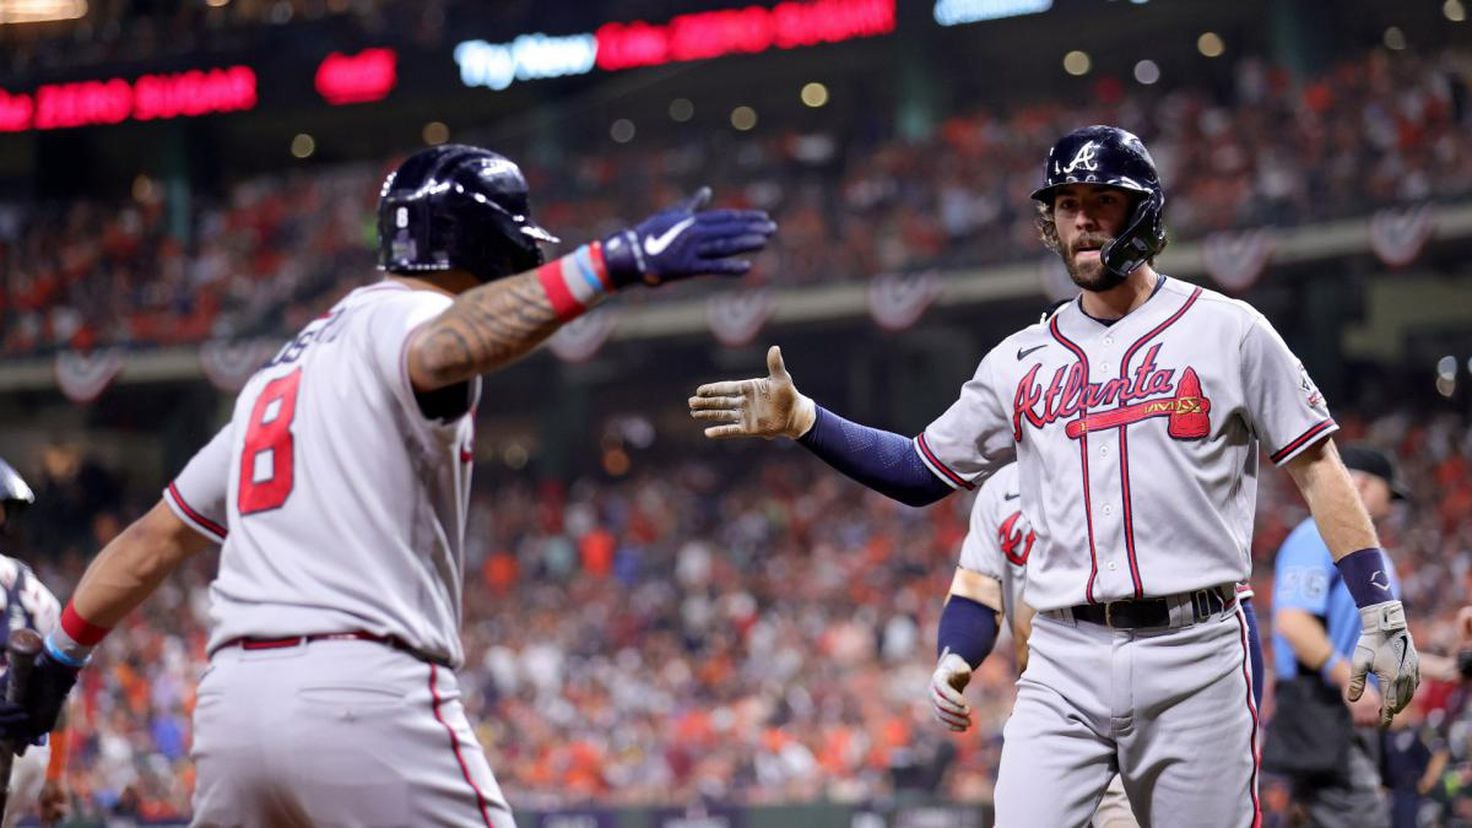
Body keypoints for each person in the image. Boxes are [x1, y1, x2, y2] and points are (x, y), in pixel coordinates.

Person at [0, 145, 775, 826]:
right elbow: (439, 348)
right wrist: (611, 263)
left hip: (233, 710)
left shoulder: (282, 371)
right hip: (363, 698)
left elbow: (154, 538)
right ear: (491, 245)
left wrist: (62, 657)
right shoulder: (402, 321)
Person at [689, 124, 1419, 825]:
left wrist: (1381, 608)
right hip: (1064, 657)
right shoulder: (1019, 361)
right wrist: (807, 421)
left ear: (1145, 213)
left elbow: (1319, 468)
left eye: (1103, 202)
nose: (1083, 222)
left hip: (1194, 649)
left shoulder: (1228, 330)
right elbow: (917, 471)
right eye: (1068, 206)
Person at [929, 460, 1265, 827]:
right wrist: (954, 654)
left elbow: (1232, 607)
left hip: (1162, 697)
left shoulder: (1143, 459)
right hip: (1058, 697)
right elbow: (976, 594)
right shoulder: (1003, 488)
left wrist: (1234, 725)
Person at [1267, 444, 1413, 826]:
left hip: (1346, 710)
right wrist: (1347, 676)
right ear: (1362, 485)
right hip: (1320, 704)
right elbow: (1293, 622)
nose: (1394, 506)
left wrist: (1449, 668)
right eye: (1389, 493)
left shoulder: (1372, 556)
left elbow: (1383, 644)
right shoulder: (1318, 534)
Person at [0, 458, 68, 828]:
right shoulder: (33, 591)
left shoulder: (31, 593)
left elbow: (57, 695)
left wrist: (55, 776)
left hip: (17, 767)